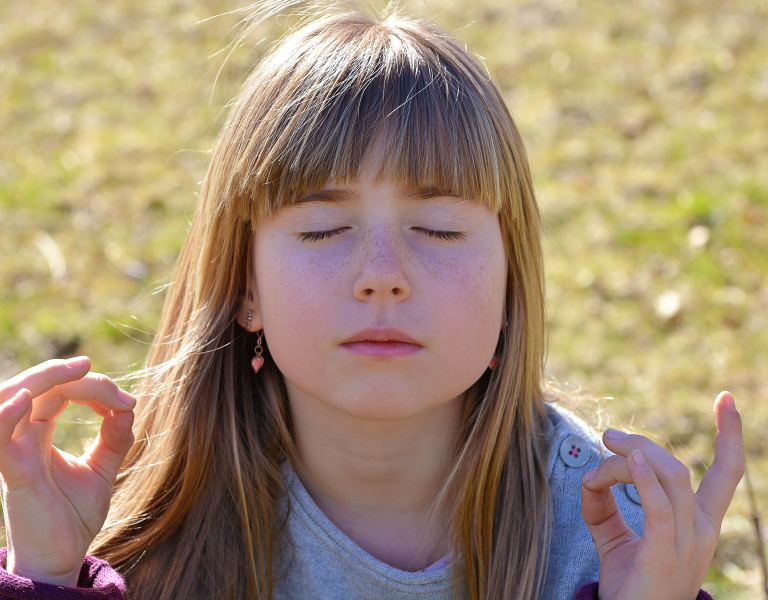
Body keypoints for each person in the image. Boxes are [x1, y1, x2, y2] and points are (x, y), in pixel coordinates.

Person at [0, 4, 744, 600]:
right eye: (324, 229)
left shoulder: (611, 539)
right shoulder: (135, 529)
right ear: (246, 284)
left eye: (438, 228)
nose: (382, 275)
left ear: (513, 284)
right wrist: (51, 573)